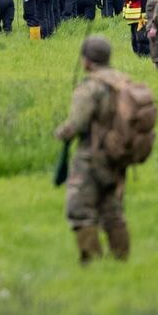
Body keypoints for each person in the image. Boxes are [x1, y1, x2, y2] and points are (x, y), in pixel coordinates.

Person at [53, 36, 134, 264]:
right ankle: (121, 259)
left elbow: (77, 123)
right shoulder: (122, 81)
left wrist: (61, 133)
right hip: (118, 154)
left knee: (80, 209)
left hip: (91, 155)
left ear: (87, 61)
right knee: (112, 211)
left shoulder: (90, 87)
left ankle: (92, 261)